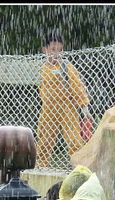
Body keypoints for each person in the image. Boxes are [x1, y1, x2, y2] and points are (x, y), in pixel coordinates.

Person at [35, 31, 93, 168]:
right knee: (44, 140)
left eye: (60, 50)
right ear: (45, 50)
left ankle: (79, 167)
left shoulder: (66, 66)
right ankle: (39, 167)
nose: (57, 53)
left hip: (67, 107)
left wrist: (84, 107)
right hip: (48, 108)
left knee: (74, 140)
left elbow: (77, 87)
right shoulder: (40, 68)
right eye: (53, 49)